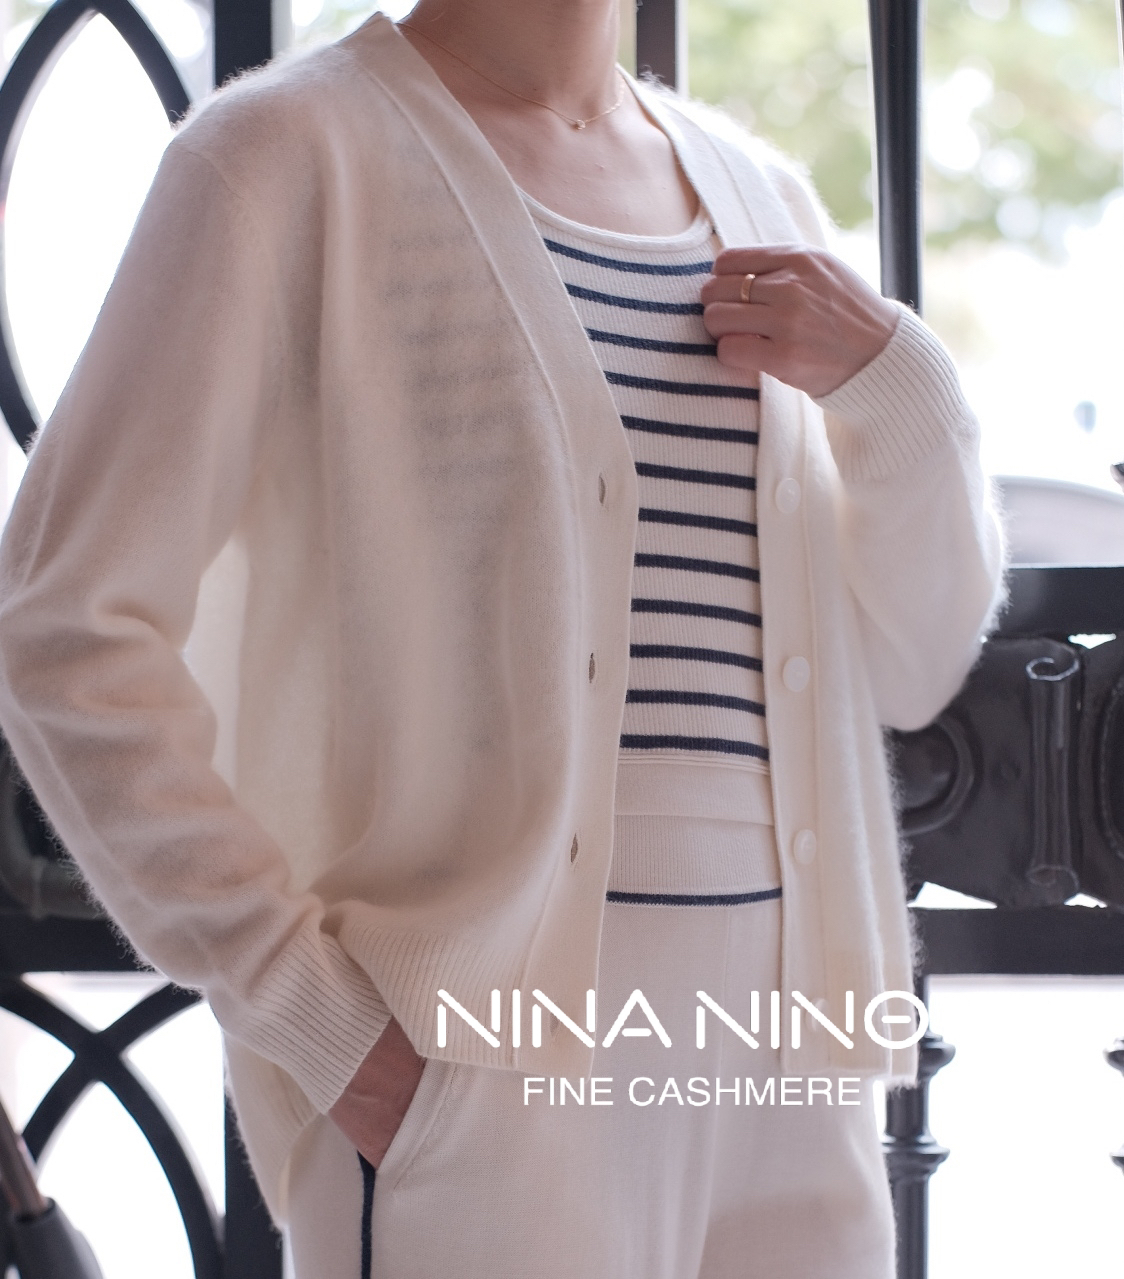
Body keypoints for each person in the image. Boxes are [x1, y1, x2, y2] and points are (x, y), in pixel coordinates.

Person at [0, 0, 1005, 1275]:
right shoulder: (286, 157)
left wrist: (900, 385)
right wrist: (320, 1024)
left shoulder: (764, 199)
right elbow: (66, 626)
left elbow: (912, 665)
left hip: (789, 1076)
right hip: (477, 1084)